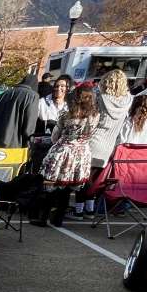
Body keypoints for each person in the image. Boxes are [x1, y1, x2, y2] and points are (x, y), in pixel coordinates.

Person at [33, 85, 99, 227]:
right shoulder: (95, 116)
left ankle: (43, 217)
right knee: (68, 188)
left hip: (63, 151)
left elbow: (55, 136)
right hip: (82, 153)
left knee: (51, 185)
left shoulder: (66, 114)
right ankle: (58, 219)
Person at [76, 69, 132, 218]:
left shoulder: (99, 98)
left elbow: (90, 119)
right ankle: (90, 209)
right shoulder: (127, 101)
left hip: (93, 140)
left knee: (83, 178)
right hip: (109, 143)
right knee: (96, 180)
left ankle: (79, 209)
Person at [0, 73, 39, 148]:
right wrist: (29, 144)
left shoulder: (3, 95)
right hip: (15, 146)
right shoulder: (32, 96)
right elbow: (29, 127)